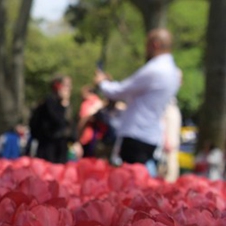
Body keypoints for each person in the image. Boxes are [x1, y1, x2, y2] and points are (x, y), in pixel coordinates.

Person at [95, 28, 181, 173]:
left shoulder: (154, 69)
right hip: (152, 135)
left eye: (147, 45)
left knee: (128, 179)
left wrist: (102, 83)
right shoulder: (173, 72)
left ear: (155, 44)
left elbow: (119, 91)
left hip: (135, 133)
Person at [31, 75, 75, 163]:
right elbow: (58, 121)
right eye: (67, 86)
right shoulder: (49, 102)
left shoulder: (62, 104)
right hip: (49, 147)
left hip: (61, 147)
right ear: (58, 87)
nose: (70, 89)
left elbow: (70, 126)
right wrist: (64, 106)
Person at [78, 85, 104, 158]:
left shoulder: (87, 103)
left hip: (88, 137)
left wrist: (78, 135)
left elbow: (83, 119)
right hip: (100, 137)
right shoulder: (100, 102)